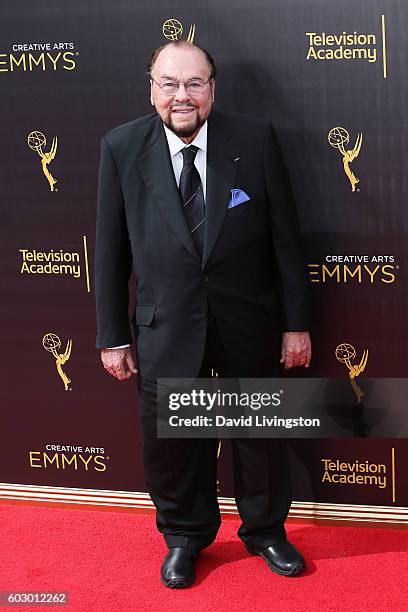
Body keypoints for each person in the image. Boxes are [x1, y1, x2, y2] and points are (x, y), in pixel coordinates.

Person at [95, 40, 312, 588]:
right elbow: (110, 251)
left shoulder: (254, 139)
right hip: (165, 323)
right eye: (169, 84)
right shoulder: (122, 147)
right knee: (173, 444)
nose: (182, 96)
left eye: (194, 83)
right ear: (152, 89)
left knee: (259, 435)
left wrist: (296, 323)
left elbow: (286, 240)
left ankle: (265, 530)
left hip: (248, 321)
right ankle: (185, 537)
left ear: (213, 88)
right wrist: (112, 335)